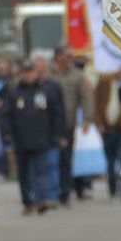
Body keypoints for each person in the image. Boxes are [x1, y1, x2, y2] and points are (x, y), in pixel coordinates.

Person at [3, 58, 67, 214]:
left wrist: (58, 134)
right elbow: (6, 116)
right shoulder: (14, 94)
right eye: (25, 73)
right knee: (24, 173)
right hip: (21, 140)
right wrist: (7, 135)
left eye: (31, 72)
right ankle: (27, 202)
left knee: (41, 171)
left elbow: (57, 114)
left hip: (41, 139)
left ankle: (41, 199)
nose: (28, 76)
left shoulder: (45, 92)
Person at [52, 46, 96, 203]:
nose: (70, 59)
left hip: (67, 124)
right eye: (66, 56)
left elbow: (86, 98)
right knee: (50, 159)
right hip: (47, 125)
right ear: (57, 57)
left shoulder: (78, 76)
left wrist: (87, 119)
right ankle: (50, 190)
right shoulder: (49, 74)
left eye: (71, 56)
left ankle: (64, 191)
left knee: (65, 158)